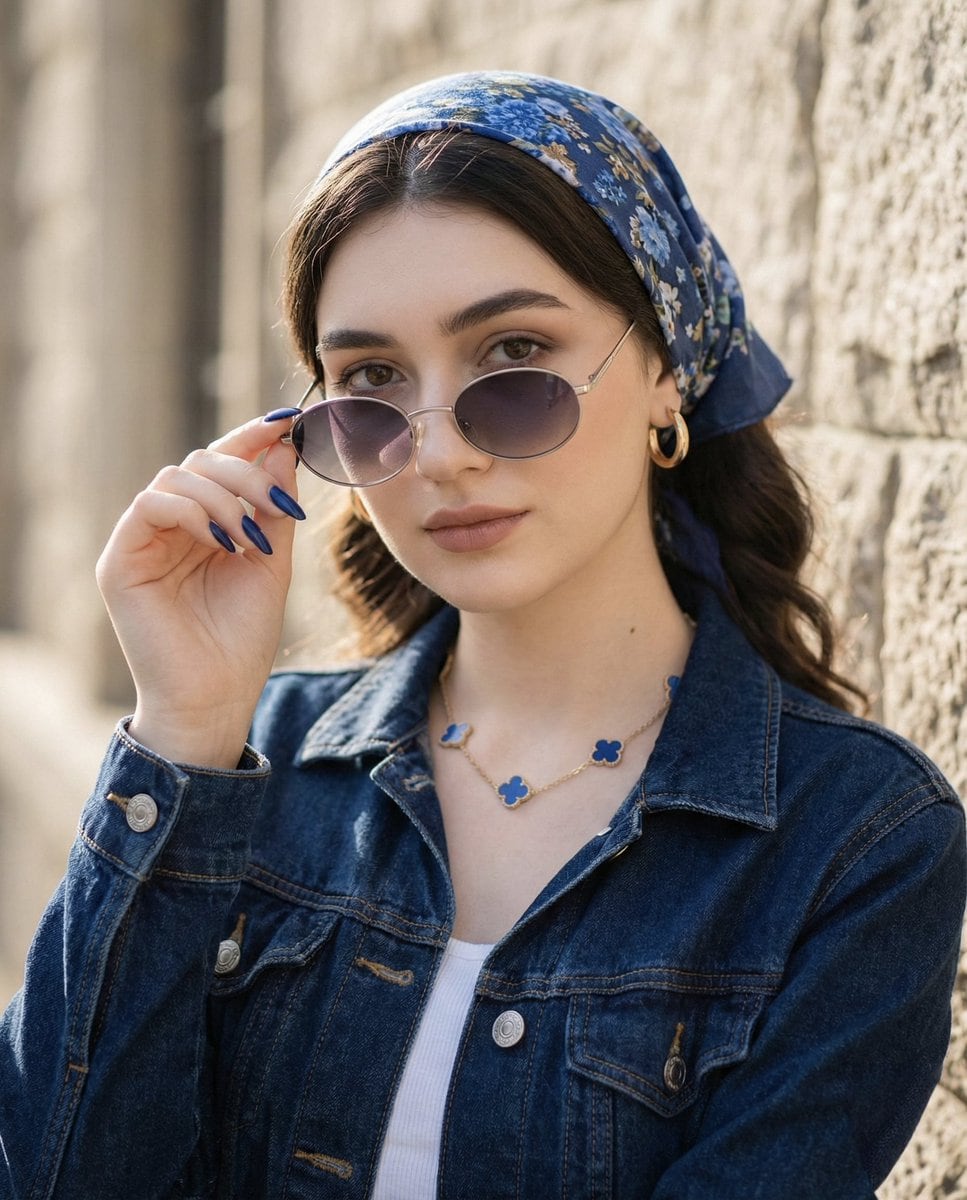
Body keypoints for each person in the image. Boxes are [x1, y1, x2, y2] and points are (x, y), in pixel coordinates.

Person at [1, 71, 964, 1200]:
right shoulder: (243, 771)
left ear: (663, 374)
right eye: (370, 380)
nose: (443, 452)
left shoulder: (852, 841)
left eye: (514, 361)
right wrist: (186, 730)